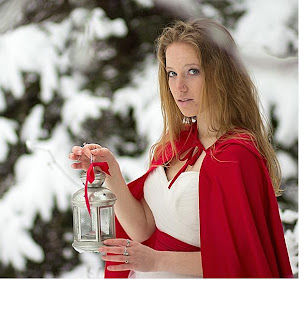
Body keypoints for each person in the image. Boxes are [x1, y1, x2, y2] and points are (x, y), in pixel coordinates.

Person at [68, 18, 292, 278]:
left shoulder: (236, 157)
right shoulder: (179, 146)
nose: (179, 86)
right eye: (172, 73)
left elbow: (242, 263)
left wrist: (156, 261)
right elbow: (143, 229)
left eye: (192, 71)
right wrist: (111, 173)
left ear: (222, 74)